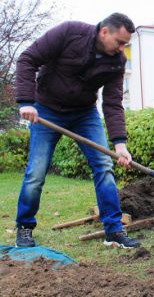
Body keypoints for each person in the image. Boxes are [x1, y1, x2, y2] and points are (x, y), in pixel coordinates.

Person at [15, 13, 141, 248]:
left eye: (126, 44)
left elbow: (113, 103)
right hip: (47, 109)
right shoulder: (69, 33)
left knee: (104, 166)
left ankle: (113, 230)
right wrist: (26, 102)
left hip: (84, 113)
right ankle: (24, 227)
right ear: (105, 32)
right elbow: (27, 59)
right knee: (36, 172)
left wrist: (120, 145)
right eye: (120, 42)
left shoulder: (117, 61)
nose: (123, 48)